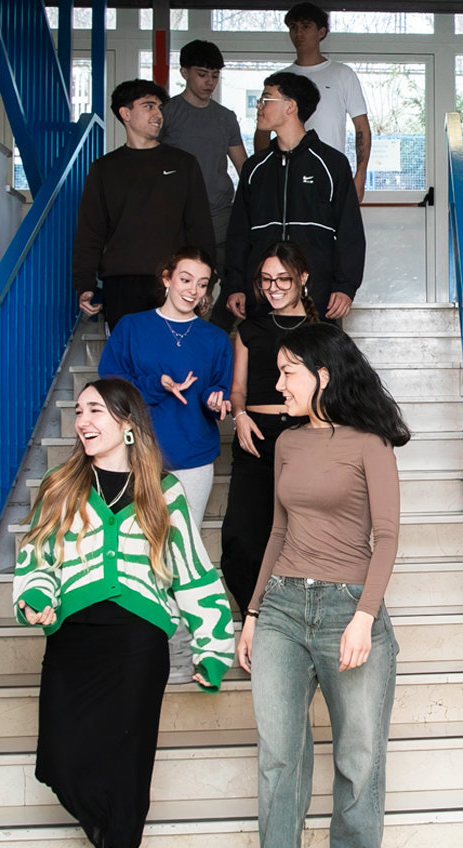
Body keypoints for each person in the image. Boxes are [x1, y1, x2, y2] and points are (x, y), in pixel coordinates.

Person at [13, 378, 234, 848]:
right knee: (60, 762)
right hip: (75, 639)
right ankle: (107, 830)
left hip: (139, 641)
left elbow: (193, 570)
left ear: (126, 422)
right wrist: (37, 596)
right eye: (80, 410)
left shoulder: (164, 490)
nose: (83, 420)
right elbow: (35, 557)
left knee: (128, 762)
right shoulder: (58, 485)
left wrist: (212, 646)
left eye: (95, 410)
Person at [237, 323, 410, 848]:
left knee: (357, 758)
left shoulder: (370, 445)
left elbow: (386, 537)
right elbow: (278, 531)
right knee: (280, 762)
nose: (277, 382)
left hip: (347, 609)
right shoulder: (284, 445)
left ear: (323, 376)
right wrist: (252, 612)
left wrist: (364, 616)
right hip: (283, 606)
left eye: (287, 370)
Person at [98, 247, 233, 531]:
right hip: (137, 456)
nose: (193, 290)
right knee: (136, 547)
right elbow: (111, 386)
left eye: (202, 284)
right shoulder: (131, 327)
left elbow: (217, 389)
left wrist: (214, 400)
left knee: (185, 548)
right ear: (167, 279)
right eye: (185, 279)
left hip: (193, 457)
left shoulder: (216, 339)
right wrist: (156, 384)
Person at [72, 79, 216, 331]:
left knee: (173, 361)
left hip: (174, 281)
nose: (158, 114)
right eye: (148, 106)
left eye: (160, 107)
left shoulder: (184, 163)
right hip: (121, 283)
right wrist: (84, 283)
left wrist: (206, 282)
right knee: (127, 365)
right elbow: (91, 230)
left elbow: (199, 228)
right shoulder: (104, 169)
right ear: (125, 113)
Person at [221, 241, 317, 615]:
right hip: (254, 438)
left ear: (302, 278)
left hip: (305, 437)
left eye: (283, 279)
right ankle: (254, 614)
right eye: (266, 280)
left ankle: (292, 619)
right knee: (242, 538)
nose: (274, 287)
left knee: (300, 534)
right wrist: (239, 416)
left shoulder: (319, 328)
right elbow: (238, 389)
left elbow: (334, 388)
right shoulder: (249, 328)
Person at [225, 72, 365, 323]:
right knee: (264, 361)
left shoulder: (331, 164)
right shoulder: (255, 167)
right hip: (262, 296)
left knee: (316, 361)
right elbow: (238, 234)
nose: (259, 106)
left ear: (290, 106)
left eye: (266, 99)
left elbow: (350, 232)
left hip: (318, 296)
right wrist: (235, 284)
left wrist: (345, 286)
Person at [159, 39, 248, 331]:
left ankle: (215, 333)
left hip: (221, 213)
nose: (209, 82)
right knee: (182, 282)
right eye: (201, 74)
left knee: (238, 279)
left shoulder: (225, 117)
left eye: (214, 75)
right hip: (178, 217)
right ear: (184, 72)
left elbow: (243, 167)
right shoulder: (167, 114)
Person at [255, 2, 372, 201]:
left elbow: (361, 127)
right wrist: (265, 170)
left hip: (329, 172)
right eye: (293, 27)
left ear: (321, 32)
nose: (299, 33)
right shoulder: (279, 79)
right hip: (287, 173)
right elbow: (263, 129)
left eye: (306, 26)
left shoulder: (342, 74)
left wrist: (360, 176)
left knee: (330, 229)